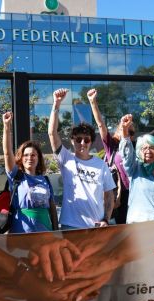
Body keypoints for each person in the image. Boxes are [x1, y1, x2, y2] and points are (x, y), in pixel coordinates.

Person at [48, 88, 115, 229]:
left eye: (86, 139)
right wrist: (56, 104)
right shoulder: (66, 159)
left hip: (96, 227)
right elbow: (52, 133)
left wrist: (106, 220)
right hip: (70, 226)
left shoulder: (101, 164)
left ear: (91, 142)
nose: (82, 143)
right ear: (72, 141)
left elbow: (109, 195)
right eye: (78, 139)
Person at [2, 111, 59, 233]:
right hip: (21, 232)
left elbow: (52, 208)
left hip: (45, 232)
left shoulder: (45, 180)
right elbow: (7, 154)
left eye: (33, 155)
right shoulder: (16, 176)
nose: (30, 158)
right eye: (26, 155)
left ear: (38, 158)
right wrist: (7, 127)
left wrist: (56, 231)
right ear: (21, 159)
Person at [88, 88, 134, 224]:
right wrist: (93, 102)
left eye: (131, 132)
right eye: (123, 128)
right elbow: (101, 125)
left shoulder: (137, 148)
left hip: (135, 192)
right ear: (118, 130)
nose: (127, 132)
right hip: (117, 194)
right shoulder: (112, 146)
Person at [119, 114, 154, 223]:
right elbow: (127, 154)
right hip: (139, 228)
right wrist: (125, 130)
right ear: (139, 152)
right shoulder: (134, 168)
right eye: (144, 148)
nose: (148, 151)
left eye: (152, 148)